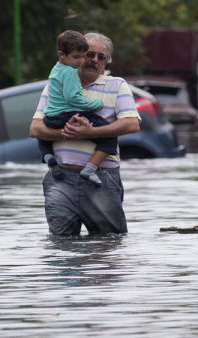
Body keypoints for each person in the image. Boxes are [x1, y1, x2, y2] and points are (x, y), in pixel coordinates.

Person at [29, 32, 141, 236]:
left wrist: (92, 132)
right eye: (89, 54)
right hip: (61, 178)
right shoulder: (55, 84)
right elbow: (35, 129)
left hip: (102, 178)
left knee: (108, 244)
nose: (94, 60)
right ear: (77, 55)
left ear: (107, 62)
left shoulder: (117, 85)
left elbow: (132, 124)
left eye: (102, 57)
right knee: (60, 246)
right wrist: (69, 133)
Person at [39, 30, 116, 188]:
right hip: (68, 115)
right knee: (110, 136)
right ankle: (90, 168)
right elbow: (72, 97)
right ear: (62, 55)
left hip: (51, 117)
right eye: (80, 56)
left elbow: (132, 125)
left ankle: (48, 157)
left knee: (43, 136)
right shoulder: (70, 72)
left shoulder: (56, 69)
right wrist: (95, 104)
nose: (81, 61)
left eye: (101, 57)